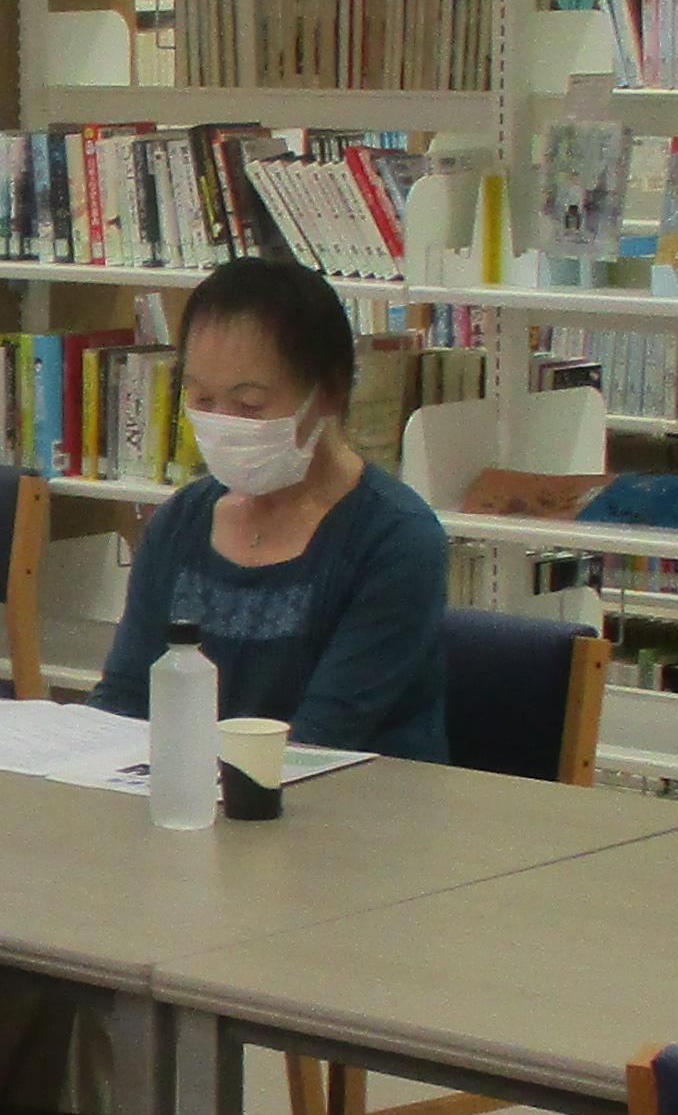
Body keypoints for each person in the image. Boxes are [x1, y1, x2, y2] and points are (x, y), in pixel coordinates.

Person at [89, 254, 451, 763]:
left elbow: (322, 739)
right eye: (202, 399)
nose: (222, 424)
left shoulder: (396, 540)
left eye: (250, 405)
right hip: (201, 794)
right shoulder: (182, 521)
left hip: (346, 801)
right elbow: (125, 699)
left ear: (329, 391)